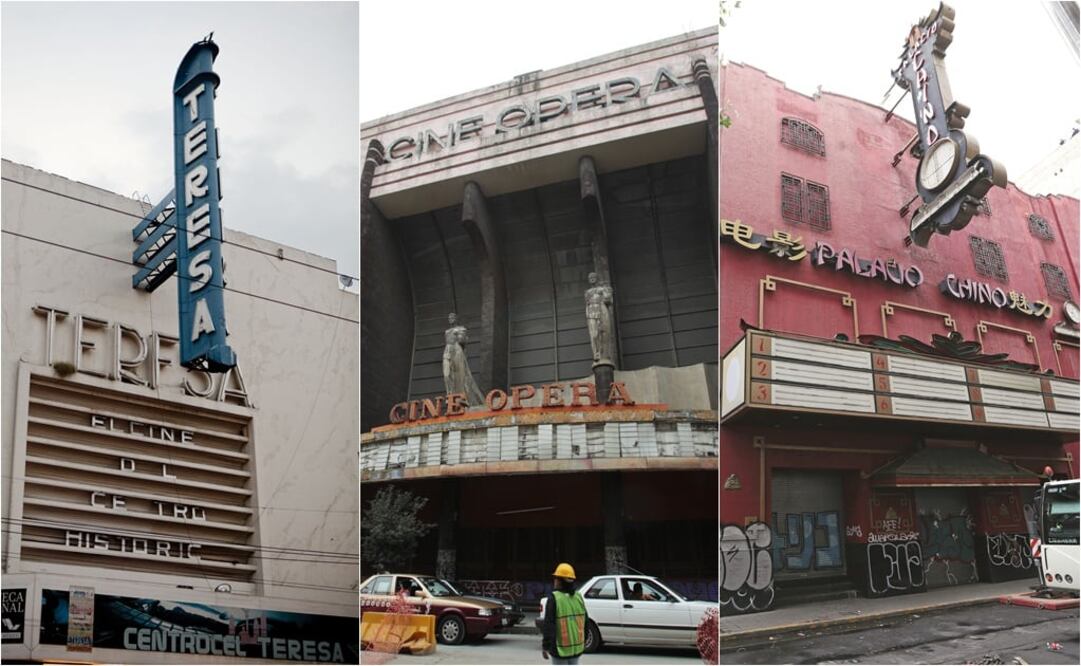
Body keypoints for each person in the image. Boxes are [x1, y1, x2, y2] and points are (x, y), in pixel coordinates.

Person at [542, 562, 588, 664]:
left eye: (556, 578)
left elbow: (549, 625)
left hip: (560, 650)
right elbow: (586, 622)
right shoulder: (578, 597)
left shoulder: (554, 598)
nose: (554, 580)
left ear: (561, 580)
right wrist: (584, 641)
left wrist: (546, 646)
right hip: (577, 648)